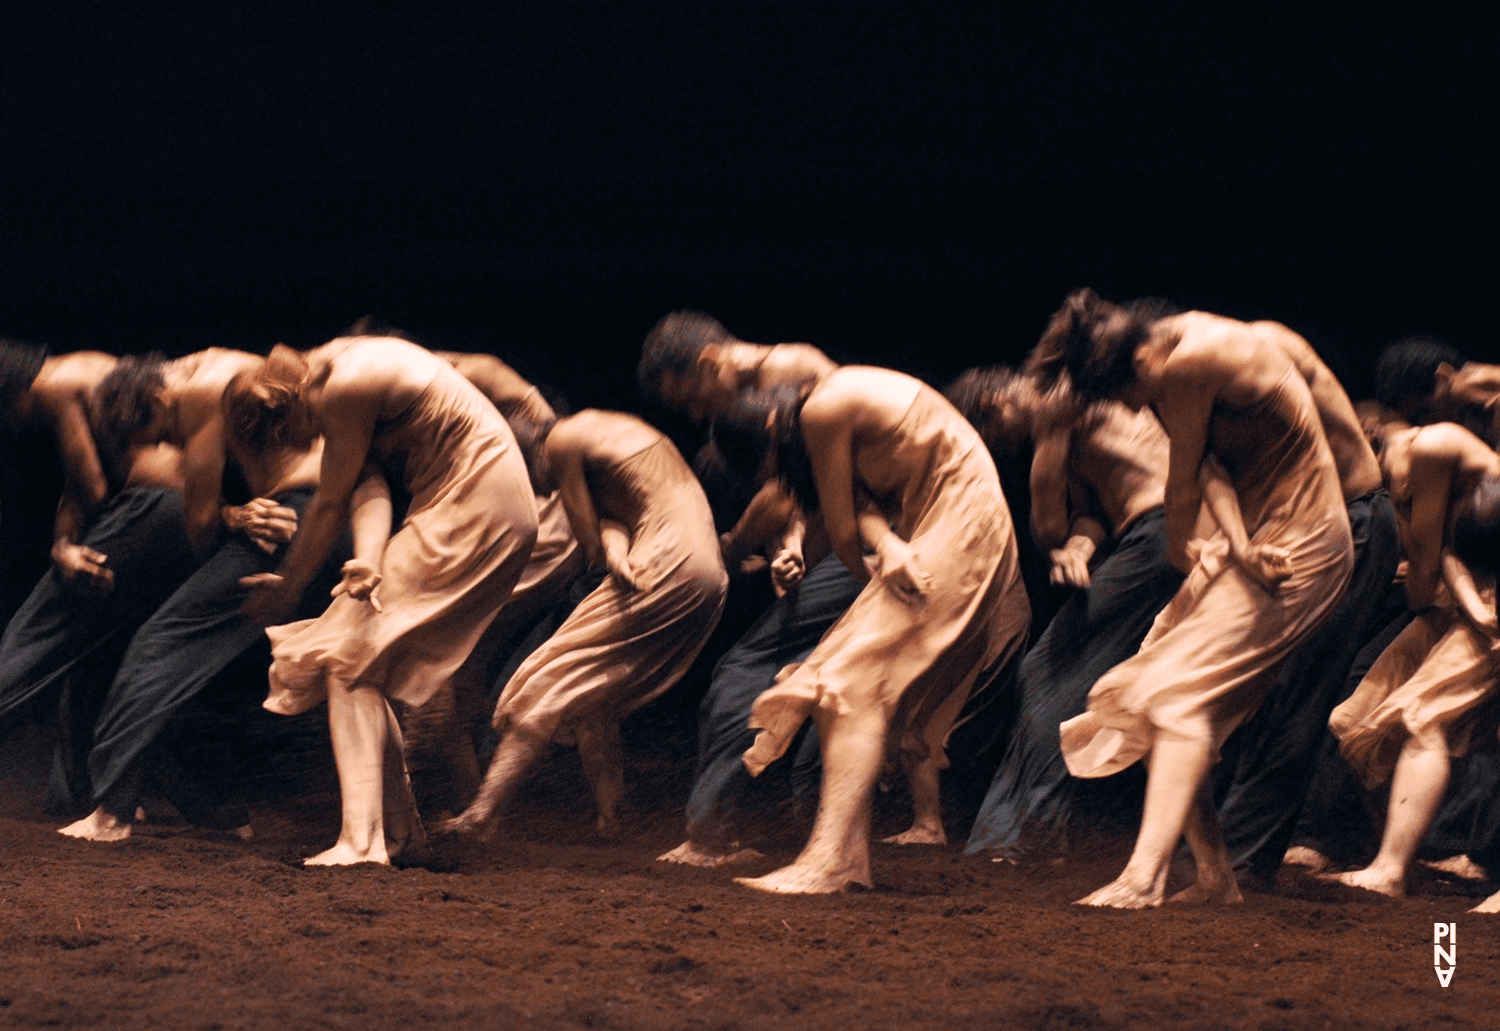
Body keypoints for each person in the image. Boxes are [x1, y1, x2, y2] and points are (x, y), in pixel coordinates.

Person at [1027, 288, 1353, 908]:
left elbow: (1180, 484)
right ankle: (1214, 878)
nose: (1141, 411)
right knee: (1149, 696)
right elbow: (1210, 470)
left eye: (1134, 399)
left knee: (1175, 697)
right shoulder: (1179, 346)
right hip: (1253, 547)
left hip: (1300, 548)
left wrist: (1185, 552)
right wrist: (1228, 543)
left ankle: (1144, 877)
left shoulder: (1194, 360)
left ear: (1141, 365)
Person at [710, 366, 1031, 893]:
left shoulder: (822, 410)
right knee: (842, 681)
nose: (783, 477)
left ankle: (828, 861)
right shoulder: (838, 406)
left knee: (849, 686)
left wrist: (880, 569)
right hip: (953, 523)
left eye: (771, 467)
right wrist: (888, 548)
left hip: (959, 523)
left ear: (770, 431)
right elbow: (866, 513)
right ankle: (846, 857)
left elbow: (840, 534)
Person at [242, 334, 539, 866]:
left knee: (345, 658)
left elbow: (332, 501)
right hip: (484, 504)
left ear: (289, 403)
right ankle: (399, 835)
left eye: (293, 433)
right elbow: (367, 488)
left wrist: (285, 591)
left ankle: (362, 843)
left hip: (476, 503)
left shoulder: (346, 386)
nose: (303, 443)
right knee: (359, 659)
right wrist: (371, 560)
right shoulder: (339, 370)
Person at [440, 408, 727, 839]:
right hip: (706, 575)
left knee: (545, 681)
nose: (538, 491)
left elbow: (589, 541)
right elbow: (620, 521)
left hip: (665, 565)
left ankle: (481, 816)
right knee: (592, 696)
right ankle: (613, 818)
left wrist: (607, 546)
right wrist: (615, 546)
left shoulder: (561, 441)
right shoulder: (609, 432)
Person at [642, 315, 865, 867]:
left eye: (692, 399)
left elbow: (800, 485)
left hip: (869, 546)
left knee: (745, 670)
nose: (698, 416)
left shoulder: (790, 370)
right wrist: (791, 547)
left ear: (710, 362)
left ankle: (712, 835)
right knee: (810, 681)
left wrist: (734, 541)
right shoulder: (772, 392)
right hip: (847, 545)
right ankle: (814, 834)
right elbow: (801, 487)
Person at [57, 348, 303, 842]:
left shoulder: (197, 389)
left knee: (156, 650)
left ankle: (112, 815)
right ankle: (218, 811)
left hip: (290, 523)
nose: (172, 444)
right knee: (160, 658)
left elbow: (198, 521)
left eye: (165, 434)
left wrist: (225, 519)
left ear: (156, 397)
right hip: (312, 519)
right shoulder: (235, 373)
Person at [947, 366, 1183, 859]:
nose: (1012, 451)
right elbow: (1093, 511)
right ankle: (1021, 830)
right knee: (1064, 676)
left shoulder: (1056, 402)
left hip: (1161, 535)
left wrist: (1057, 543)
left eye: (1001, 439)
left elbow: (1048, 523)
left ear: (994, 404)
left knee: (1049, 671)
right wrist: (1078, 551)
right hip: (1155, 535)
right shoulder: (1077, 414)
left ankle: (1021, 833)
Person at [1209, 318, 1399, 884]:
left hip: (1347, 525)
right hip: (1292, 536)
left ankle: (1248, 852)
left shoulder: (1265, 349)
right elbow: (1217, 471)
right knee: (1255, 689)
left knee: (1298, 689)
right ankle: (1226, 843)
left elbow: (1300, 467)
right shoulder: (1202, 389)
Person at [0, 349, 199, 819]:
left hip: (150, 508)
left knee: (29, 641)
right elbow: (79, 485)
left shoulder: (53, 385)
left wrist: (66, 548)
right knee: (99, 658)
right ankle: (85, 795)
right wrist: (61, 542)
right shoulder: (86, 366)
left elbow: (89, 486)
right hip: (185, 518)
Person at [1322, 421, 1500, 899]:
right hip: (1465, 607)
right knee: (1357, 718)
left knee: (1424, 718)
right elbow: (1449, 554)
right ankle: (1400, 855)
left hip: (1480, 613)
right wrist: (1473, 606)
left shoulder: (1443, 452)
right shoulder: (1470, 488)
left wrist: (1479, 611)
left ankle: (1392, 868)